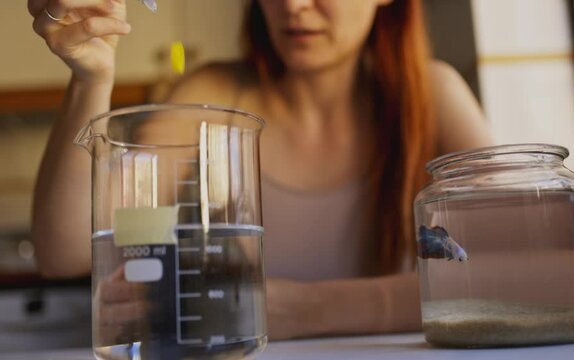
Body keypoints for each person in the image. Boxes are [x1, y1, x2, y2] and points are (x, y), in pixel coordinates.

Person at [28, 0, 492, 340]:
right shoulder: (215, 93)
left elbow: (518, 269)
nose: (292, 6)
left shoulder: (434, 96)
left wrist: (304, 309)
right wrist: (92, 79)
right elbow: (65, 251)